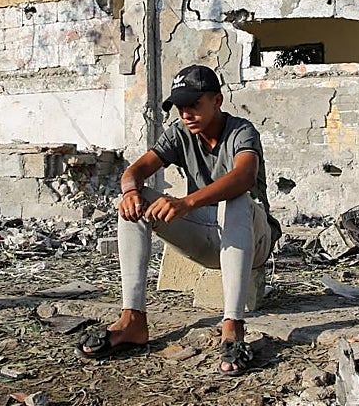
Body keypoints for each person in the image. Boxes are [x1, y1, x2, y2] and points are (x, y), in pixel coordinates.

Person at [77, 65, 281, 376]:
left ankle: (233, 325)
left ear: (217, 101)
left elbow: (244, 176)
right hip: (206, 238)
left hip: (252, 240)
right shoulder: (179, 133)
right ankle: (133, 320)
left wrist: (187, 203)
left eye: (194, 105)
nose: (186, 114)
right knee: (135, 203)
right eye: (180, 107)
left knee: (237, 199)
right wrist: (130, 192)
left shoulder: (242, 131)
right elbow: (134, 172)